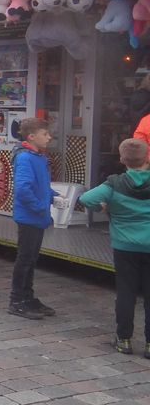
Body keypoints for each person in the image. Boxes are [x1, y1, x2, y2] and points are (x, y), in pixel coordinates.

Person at [79, 138, 150, 356]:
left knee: (126, 292)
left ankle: (124, 339)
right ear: (147, 157)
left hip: (124, 246)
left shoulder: (114, 183)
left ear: (122, 160)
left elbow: (85, 198)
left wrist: (104, 206)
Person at [8, 118, 59, 320]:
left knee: (31, 258)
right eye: (45, 134)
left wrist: (53, 195)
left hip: (37, 216)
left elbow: (40, 185)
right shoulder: (26, 158)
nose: (49, 137)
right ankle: (17, 299)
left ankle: (27, 296)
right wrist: (40, 206)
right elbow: (23, 189)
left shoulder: (38, 157)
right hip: (29, 216)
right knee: (25, 259)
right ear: (31, 136)